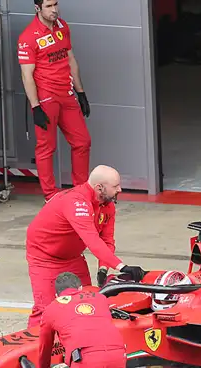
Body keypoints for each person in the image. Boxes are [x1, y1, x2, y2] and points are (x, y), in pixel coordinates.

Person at [25, 165, 146, 327]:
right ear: (99, 187)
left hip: (73, 257)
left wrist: (103, 269)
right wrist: (121, 267)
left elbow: (107, 240)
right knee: (45, 310)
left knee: (86, 303)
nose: (120, 189)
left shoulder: (107, 205)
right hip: (45, 259)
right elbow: (92, 240)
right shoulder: (76, 202)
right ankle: (36, 348)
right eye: (115, 186)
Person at [18, 0, 92, 199]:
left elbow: (70, 59)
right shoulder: (28, 37)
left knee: (82, 141)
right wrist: (36, 107)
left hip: (67, 94)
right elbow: (27, 75)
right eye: (49, 6)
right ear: (37, 8)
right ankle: (50, 195)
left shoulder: (62, 26)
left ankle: (81, 191)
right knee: (46, 147)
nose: (54, 10)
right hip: (46, 98)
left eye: (55, 4)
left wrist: (81, 92)